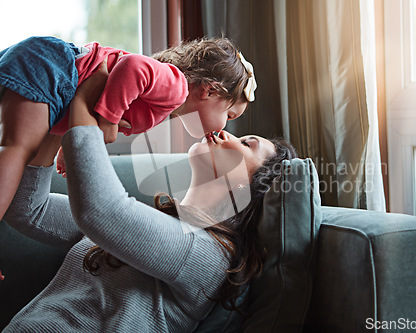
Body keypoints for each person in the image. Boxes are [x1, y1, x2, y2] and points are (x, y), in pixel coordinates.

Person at [2, 61, 296, 331]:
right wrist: (61, 116)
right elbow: (29, 210)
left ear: (253, 186)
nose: (224, 132)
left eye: (246, 143)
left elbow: (100, 212)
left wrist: (82, 105)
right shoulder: (150, 222)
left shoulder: (212, 258)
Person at [0, 35, 256, 223]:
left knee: (21, 147)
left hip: (54, 78)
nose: (226, 126)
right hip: (55, 68)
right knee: (18, 148)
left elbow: (86, 95)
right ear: (210, 90)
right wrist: (108, 120)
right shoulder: (176, 87)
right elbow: (131, 67)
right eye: (229, 114)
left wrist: (69, 144)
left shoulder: (166, 101)